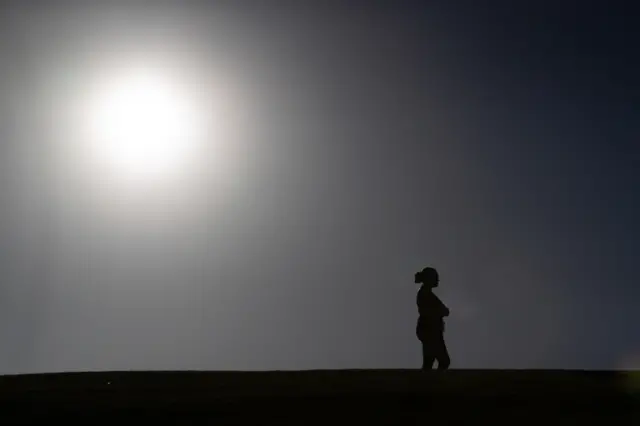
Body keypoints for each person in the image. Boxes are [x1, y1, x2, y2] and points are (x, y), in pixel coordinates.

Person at [415, 266, 451, 370]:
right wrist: (440, 311)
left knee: (429, 361)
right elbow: (427, 311)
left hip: (431, 330)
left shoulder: (427, 294)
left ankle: (428, 383)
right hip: (430, 330)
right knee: (443, 360)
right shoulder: (425, 293)